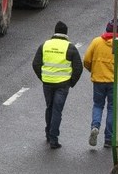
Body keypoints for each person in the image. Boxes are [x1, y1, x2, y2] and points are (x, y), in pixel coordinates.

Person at [32, 20, 83, 149]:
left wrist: (43, 77)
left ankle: (48, 134)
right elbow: (78, 67)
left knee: (49, 107)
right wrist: (71, 82)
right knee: (57, 111)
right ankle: (54, 139)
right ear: (66, 33)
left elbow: (36, 64)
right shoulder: (70, 47)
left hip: (47, 83)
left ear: (55, 32)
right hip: (62, 85)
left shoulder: (45, 45)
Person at [83, 20, 118, 148]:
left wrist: (93, 70)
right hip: (115, 82)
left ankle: (95, 126)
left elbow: (86, 60)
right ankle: (108, 139)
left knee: (98, 105)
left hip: (99, 80)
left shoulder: (97, 42)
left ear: (107, 29)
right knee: (112, 109)